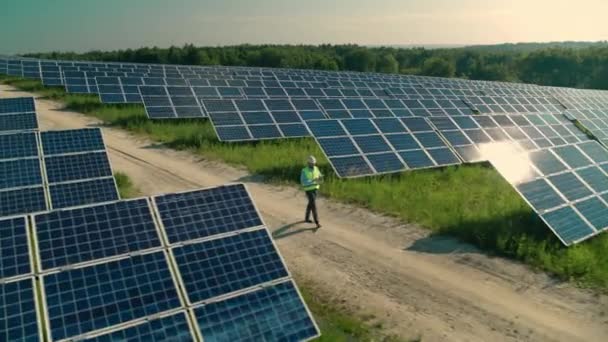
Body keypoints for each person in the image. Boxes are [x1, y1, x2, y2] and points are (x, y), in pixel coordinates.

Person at [300, 155, 323, 228]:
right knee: (313, 205)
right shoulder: (304, 171)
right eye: (311, 163)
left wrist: (319, 180)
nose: (313, 165)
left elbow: (320, 178)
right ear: (308, 163)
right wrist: (313, 181)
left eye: (314, 163)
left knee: (310, 203)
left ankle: (306, 218)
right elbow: (303, 182)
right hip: (308, 190)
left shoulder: (316, 168)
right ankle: (317, 222)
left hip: (315, 189)